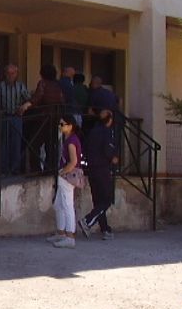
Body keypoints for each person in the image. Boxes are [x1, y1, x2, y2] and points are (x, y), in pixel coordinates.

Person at [79, 109, 119, 240]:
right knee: (107, 200)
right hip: (102, 169)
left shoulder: (92, 132)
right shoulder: (107, 132)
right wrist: (113, 157)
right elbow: (108, 150)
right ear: (109, 120)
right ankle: (88, 221)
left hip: (91, 169)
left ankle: (105, 229)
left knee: (98, 201)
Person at [20, 64, 65, 173]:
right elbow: (62, 101)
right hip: (55, 120)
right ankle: (50, 169)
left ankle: (36, 170)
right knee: (51, 146)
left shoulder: (43, 83)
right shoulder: (58, 86)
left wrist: (26, 105)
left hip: (43, 119)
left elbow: (37, 97)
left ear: (42, 74)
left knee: (33, 145)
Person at [48, 114, 83, 249]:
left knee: (67, 206)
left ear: (70, 126)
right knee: (59, 205)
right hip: (66, 176)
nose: (60, 126)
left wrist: (63, 172)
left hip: (67, 176)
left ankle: (70, 236)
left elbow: (73, 161)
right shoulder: (68, 139)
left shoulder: (71, 141)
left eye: (63, 124)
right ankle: (61, 233)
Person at [0, 64, 30, 174]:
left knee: (16, 143)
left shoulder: (21, 86)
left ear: (16, 74)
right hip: (3, 117)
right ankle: (3, 169)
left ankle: (15, 169)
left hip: (16, 117)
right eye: (8, 73)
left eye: (13, 73)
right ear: (5, 74)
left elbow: (28, 99)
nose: (10, 76)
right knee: (3, 144)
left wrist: (24, 107)